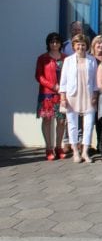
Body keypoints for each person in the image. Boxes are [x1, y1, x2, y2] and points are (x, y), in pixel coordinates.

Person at [59, 34, 98, 163]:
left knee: (88, 125)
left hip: (88, 95)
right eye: (78, 45)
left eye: (83, 45)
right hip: (72, 95)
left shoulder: (92, 60)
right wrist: (63, 97)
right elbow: (63, 80)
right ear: (74, 46)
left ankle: (85, 151)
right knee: (72, 124)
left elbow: (95, 80)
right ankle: (75, 151)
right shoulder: (68, 60)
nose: (80, 47)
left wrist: (95, 95)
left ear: (86, 46)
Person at [35, 32, 66, 160]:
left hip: (62, 95)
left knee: (61, 121)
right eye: (52, 42)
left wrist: (64, 88)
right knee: (47, 120)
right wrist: (53, 86)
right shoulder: (42, 58)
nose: (54, 44)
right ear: (48, 43)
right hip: (47, 94)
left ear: (60, 43)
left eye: (57, 41)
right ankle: (49, 148)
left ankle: (59, 147)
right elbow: (39, 76)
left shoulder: (65, 58)